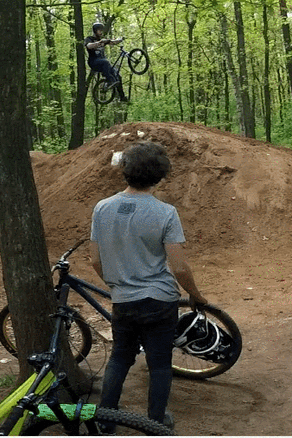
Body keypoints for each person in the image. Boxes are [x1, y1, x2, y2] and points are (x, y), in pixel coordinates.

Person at [90, 141, 208, 429]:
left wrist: (118, 283)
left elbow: (95, 259)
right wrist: (196, 295)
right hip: (159, 301)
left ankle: (105, 422)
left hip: (123, 300)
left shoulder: (102, 208)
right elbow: (178, 266)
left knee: (119, 358)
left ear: (126, 172)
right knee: (159, 365)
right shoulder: (165, 212)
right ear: (159, 175)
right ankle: (155, 422)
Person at [85, 21, 128, 102]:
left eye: (101, 30)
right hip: (94, 62)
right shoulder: (89, 39)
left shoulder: (102, 40)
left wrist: (121, 39)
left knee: (117, 75)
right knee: (106, 61)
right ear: (95, 30)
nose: (101, 32)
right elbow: (89, 46)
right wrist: (99, 43)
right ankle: (110, 81)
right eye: (99, 30)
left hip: (103, 63)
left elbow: (113, 42)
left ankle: (122, 97)